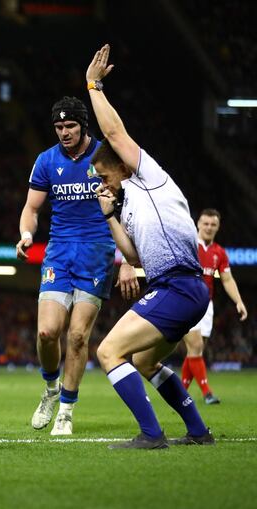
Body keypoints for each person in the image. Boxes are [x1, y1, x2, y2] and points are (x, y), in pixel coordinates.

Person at [86, 44, 213, 448]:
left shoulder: (149, 177)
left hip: (177, 287)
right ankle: (197, 431)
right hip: (180, 289)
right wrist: (109, 215)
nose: (101, 183)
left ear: (123, 167)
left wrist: (93, 86)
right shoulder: (131, 206)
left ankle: (152, 434)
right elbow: (136, 256)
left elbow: (113, 133)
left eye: (103, 175)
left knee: (108, 352)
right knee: (143, 360)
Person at [15, 94, 138, 436]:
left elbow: (126, 208)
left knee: (79, 335)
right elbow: (32, 208)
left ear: (83, 125)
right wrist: (26, 234)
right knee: (46, 332)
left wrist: (128, 261)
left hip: (97, 251)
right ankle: (51, 387)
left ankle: (67, 408)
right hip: (59, 251)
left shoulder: (104, 156)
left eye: (70, 125)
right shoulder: (45, 161)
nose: (64, 132)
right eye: (58, 126)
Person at [181, 208, 248, 404]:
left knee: (197, 350)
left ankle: (180, 391)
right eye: (206, 224)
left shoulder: (219, 252)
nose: (209, 227)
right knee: (196, 345)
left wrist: (238, 301)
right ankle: (207, 393)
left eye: (213, 225)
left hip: (206, 304)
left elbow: (227, 279)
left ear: (218, 227)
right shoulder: (188, 244)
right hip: (185, 301)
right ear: (198, 224)